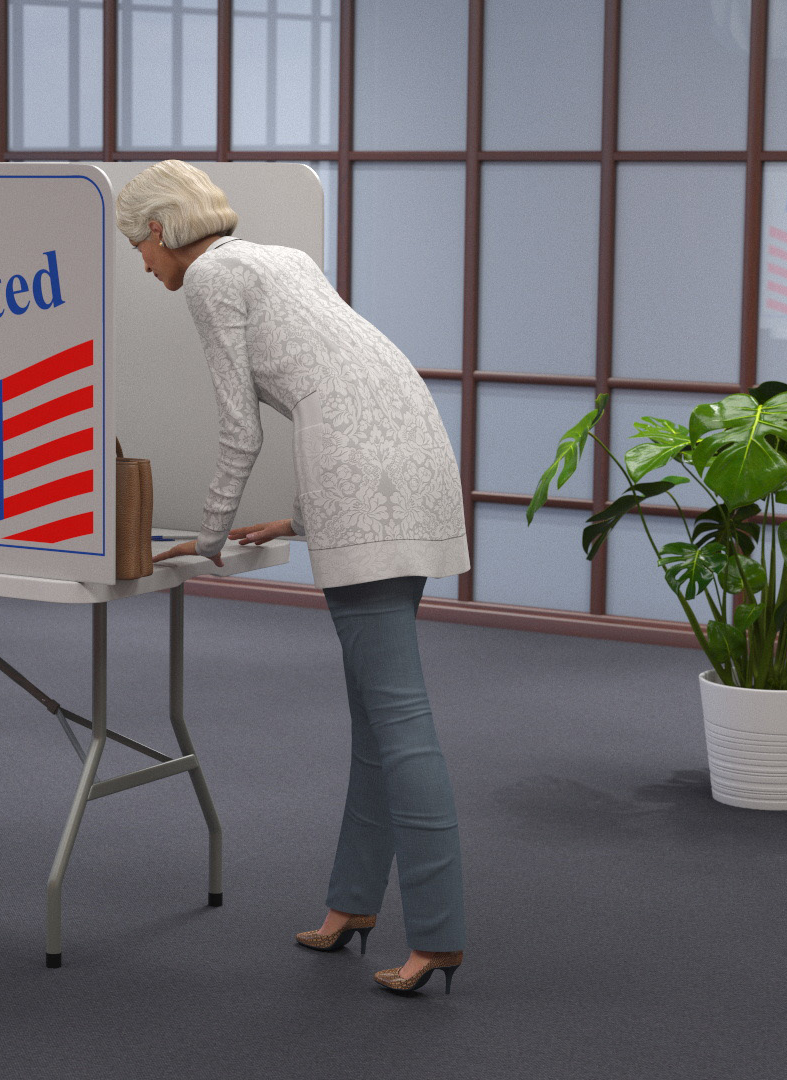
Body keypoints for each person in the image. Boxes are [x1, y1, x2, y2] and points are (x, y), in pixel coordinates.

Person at [118, 160, 471, 994]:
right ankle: (354, 902)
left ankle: (441, 932)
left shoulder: (209, 279)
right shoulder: (280, 260)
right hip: (414, 449)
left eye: (140, 246)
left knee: (399, 716)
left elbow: (242, 429)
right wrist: (304, 520)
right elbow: (346, 381)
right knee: (377, 714)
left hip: (357, 474)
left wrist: (204, 537)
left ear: (164, 232)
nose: (143, 265)